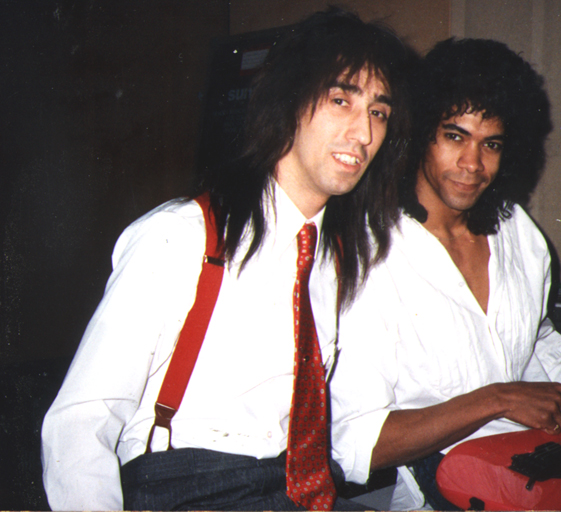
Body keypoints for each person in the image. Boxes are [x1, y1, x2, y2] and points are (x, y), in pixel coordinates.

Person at [41, 8, 414, 511]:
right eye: (341, 100)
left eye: (378, 113)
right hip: (187, 485)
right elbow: (80, 423)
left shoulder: (337, 258)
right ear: (289, 102)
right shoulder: (182, 236)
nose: (363, 133)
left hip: (292, 486)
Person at [330, 38, 561, 510]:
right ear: (419, 133)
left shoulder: (517, 232)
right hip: (442, 491)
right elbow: (358, 444)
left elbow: (535, 345)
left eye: (491, 144)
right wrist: (496, 400)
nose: (472, 164)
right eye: (454, 136)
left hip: (540, 472)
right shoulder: (369, 257)